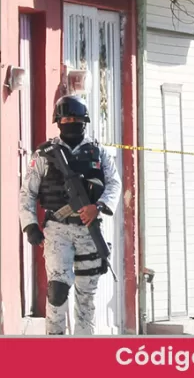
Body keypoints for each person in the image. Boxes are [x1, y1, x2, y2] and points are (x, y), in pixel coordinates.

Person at [19, 95, 122, 335]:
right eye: (65, 118)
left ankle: (83, 355)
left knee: (86, 298)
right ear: (58, 121)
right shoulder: (44, 153)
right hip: (58, 229)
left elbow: (114, 184)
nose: (70, 121)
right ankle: (56, 351)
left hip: (89, 228)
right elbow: (28, 191)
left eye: (74, 118)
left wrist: (99, 207)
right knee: (57, 290)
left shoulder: (98, 151)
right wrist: (30, 225)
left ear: (84, 120)